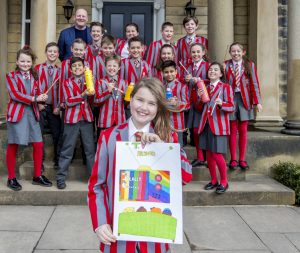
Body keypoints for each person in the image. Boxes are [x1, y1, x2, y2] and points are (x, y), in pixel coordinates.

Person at [88, 77, 192, 253]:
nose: (144, 108)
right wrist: (100, 223)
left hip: (154, 238)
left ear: (158, 108)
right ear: (131, 98)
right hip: (117, 236)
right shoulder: (109, 137)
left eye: (151, 103)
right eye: (140, 100)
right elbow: (97, 186)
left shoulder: (167, 137)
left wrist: (162, 150)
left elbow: (186, 176)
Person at [6, 46, 52, 191]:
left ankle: (37, 176)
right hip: (17, 114)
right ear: (17, 62)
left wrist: (41, 99)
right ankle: (11, 178)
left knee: (38, 144)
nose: (25, 64)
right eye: (22, 61)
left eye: (28, 61)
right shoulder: (11, 76)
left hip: (32, 113)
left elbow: (37, 93)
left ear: (32, 62)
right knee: (13, 145)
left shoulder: (35, 76)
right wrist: (35, 98)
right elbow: (15, 94)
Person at [56, 57, 95, 189]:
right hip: (71, 119)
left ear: (84, 68)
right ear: (70, 69)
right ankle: (61, 178)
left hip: (86, 119)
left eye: (80, 66)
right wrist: (83, 93)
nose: (77, 68)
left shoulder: (88, 80)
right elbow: (69, 101)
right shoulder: (66, 83)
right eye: (74, 66)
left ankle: (92, 179)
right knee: (67, 149)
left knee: (90, 151)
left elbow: (94, 98)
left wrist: (92, 89)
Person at [196, 62, 234, 194]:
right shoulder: (204, 87)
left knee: (217, 154)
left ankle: (224, 181)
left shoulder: (226, 88)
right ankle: (213, 180)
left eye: (215, 70)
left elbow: (231, 107)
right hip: (205, 124)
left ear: (221, 74)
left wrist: (221, 103)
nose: (212, 71)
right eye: (210, 69)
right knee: (209, 155)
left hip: (219, 125)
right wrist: (200, 98)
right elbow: (200, 107)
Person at [224, 42, 262, 170]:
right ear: (230, 53)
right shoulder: (226, 65)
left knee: (243, 130)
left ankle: (242, 159)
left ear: (243, 52)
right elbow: (223, 83)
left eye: (238, 51)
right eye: (233, 51)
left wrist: (258, 102)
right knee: (232, 129)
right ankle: (233, 159)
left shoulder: (249, 65)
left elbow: (254, 83)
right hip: (231, 99)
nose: (236, 53)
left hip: (245, 99)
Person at [35, 42, 61, 169]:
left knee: (57, 133)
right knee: (38, 135)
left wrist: (58, 106)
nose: (52, 53)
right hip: (40, 107)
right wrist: (39, 103)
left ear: (58, 54)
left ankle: (57, 160)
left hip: (54, 107)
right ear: (45, 53)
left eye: (55, 52)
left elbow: (62, 90)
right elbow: (33, 88)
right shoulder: (37, 68)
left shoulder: (60, 71)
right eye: (50, 51)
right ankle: (39, 162)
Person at [182, 43, 209, 167]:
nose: (196, 54)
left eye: (198, 52)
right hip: (192, 101)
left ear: (203, 52)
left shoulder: (208, 66)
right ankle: (199, 156)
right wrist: (186, 80)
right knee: (195, 129)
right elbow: (183, 83)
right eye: (193, 52)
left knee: (203, 130)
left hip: (203, 102)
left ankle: (207, 156)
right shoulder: (188, 66)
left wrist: (199, 80)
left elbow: (212, 80)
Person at [94, 55, 127, 140]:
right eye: (109, 65)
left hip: (120, 121)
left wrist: (127, 98)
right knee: (103, 146)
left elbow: (127, 104)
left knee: (118, 147)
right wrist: (108, 91)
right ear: (105, 67)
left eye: (114, 66)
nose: (111, 68)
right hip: (105, 121)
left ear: (119, 68)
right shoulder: (100, 82)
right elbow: (96, 101)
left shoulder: (124, 83)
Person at [162, 60, 190, 147]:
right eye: (166, 72)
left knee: (178, 148)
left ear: (176, 72)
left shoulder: (182, 86)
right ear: (162, 73)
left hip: (177, 123)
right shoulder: (161, 87)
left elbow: (187, 105)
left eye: (171, 71)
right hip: (164, 123)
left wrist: (177, 103)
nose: (169, 74)